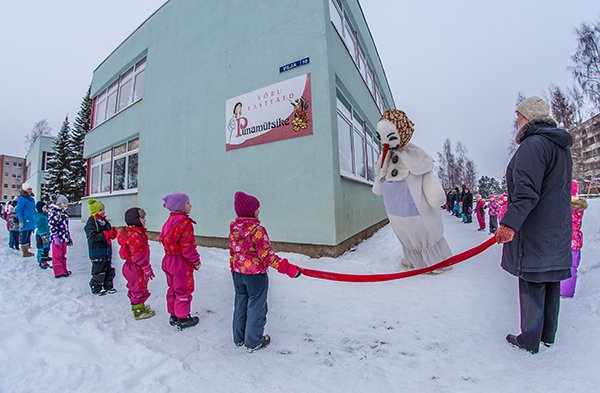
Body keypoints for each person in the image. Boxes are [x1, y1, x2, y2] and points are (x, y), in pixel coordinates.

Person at [495, 96, 572, 354]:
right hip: (557, 228)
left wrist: (508, 225)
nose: (516, 122)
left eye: (518, 117)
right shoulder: (559, 147)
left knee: (532, 281)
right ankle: (547, 335)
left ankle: (529, 341)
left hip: (535, 229)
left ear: (528, 117)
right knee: (551, 280)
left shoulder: (533, 145)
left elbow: (526, 193)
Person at [372, 109, 452, 273]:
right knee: (407, 233)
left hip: (418, 214)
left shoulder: (416, 157)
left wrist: (435, 195)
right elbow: (379, 186)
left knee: (422, 231)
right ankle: (411, 259)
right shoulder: (384, 160)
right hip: (398, 215)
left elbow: (430, 184)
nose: (385, 142)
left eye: (391, 137)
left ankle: (434, 262)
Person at [229, 191, 301, 353]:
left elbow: (233, 252)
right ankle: (253, 341)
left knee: (241, 304)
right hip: (255, 277)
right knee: (256, 306)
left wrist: (234, 269)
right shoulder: (258, 230)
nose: (259, 211)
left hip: (238, 274)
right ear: (251, 211)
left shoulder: (234, 229)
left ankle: (239, 338)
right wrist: (288, 269)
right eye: (257, 208)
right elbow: (266, 256)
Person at [159, 191, 201, 330]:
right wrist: (195, 261)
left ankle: (174, 315)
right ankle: (183, 318)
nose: (190, 205)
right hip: (180, 262)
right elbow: (187, 246)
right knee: (183, 289)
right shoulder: (184, 223)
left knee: (172, 288)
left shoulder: (168, 222)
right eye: (188, 203)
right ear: (180, 206)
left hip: (168, 259)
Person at [118, 207, 156, 320]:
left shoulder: (130, 233)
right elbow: (137, 254)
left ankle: (139, 306)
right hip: (136, 267)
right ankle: (138, 311)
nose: (145, 220)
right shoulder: (136, 235)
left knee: (135, 287)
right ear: (135, 220)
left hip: (131, 267)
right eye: (142, 218)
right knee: (138, 288)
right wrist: (146, 267)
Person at [560, 180, 588, 298]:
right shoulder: (578, 207)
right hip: (575, 241)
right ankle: (567, 292)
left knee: (562, 266)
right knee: (572, 266)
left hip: (563, 240)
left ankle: (561, 291)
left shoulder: (563, 206)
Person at [85, 198, 117, 296]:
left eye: (103, 209)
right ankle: (96, 286)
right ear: (94, 211)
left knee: (109, 269)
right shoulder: (91, 223)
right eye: (100, 210)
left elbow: (109, 231)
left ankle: (108, 286)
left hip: (106, 251)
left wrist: (112, 233)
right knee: (99, 270)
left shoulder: (105, 222)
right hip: (97, 252)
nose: (103, 212)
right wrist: (106, 234)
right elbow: (92, 236)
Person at [48, 195, 72, 278]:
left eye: (66, 203)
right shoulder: (54, 213)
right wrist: (55, 236)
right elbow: (52, 225)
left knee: (63, 255)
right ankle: (58, 271)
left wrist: (68, 237)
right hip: (57, 238)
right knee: (57, 255)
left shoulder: (63, 213)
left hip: (63, 237)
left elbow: (65, 226)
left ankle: (64, 269)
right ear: (59, 204)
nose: (66, 205)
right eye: (64, 203)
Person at [16, 183, 36, 257]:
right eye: (28, 189)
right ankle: (25, 252)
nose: (30, 190)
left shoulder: (31, 199)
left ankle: (27, 251)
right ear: (24, 190)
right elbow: (19, 210)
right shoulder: (21, 199)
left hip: (31, 220)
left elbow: (33, 210)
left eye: (30, 189)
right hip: (25, 220)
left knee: (28, 236)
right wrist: (21, 220)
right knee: (24, 236)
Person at [34, 201, 51, 269]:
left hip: (46, 235)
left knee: (46, 246)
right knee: (42, 247)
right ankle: (41, 260)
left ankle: (45, 258)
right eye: (44, 208)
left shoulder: (44, 215)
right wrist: (43, 233)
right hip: (42, 235)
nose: (45, 209)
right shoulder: (40, 217)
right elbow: (40, 226)